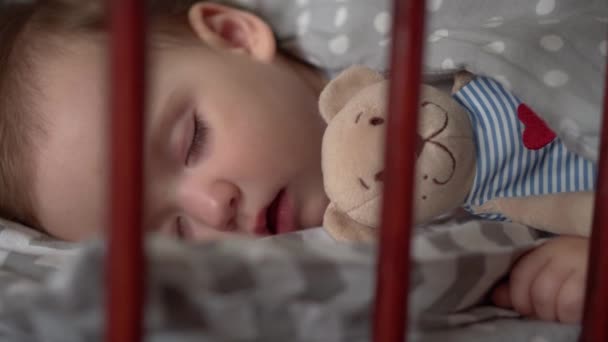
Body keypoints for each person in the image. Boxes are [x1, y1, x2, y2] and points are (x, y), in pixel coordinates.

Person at [0, 0, 590, 324]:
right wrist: (557, 262)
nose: (213, 206)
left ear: (233, 35)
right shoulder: (370, 268)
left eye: (192, 141)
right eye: (172, 231)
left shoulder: (392, 39)